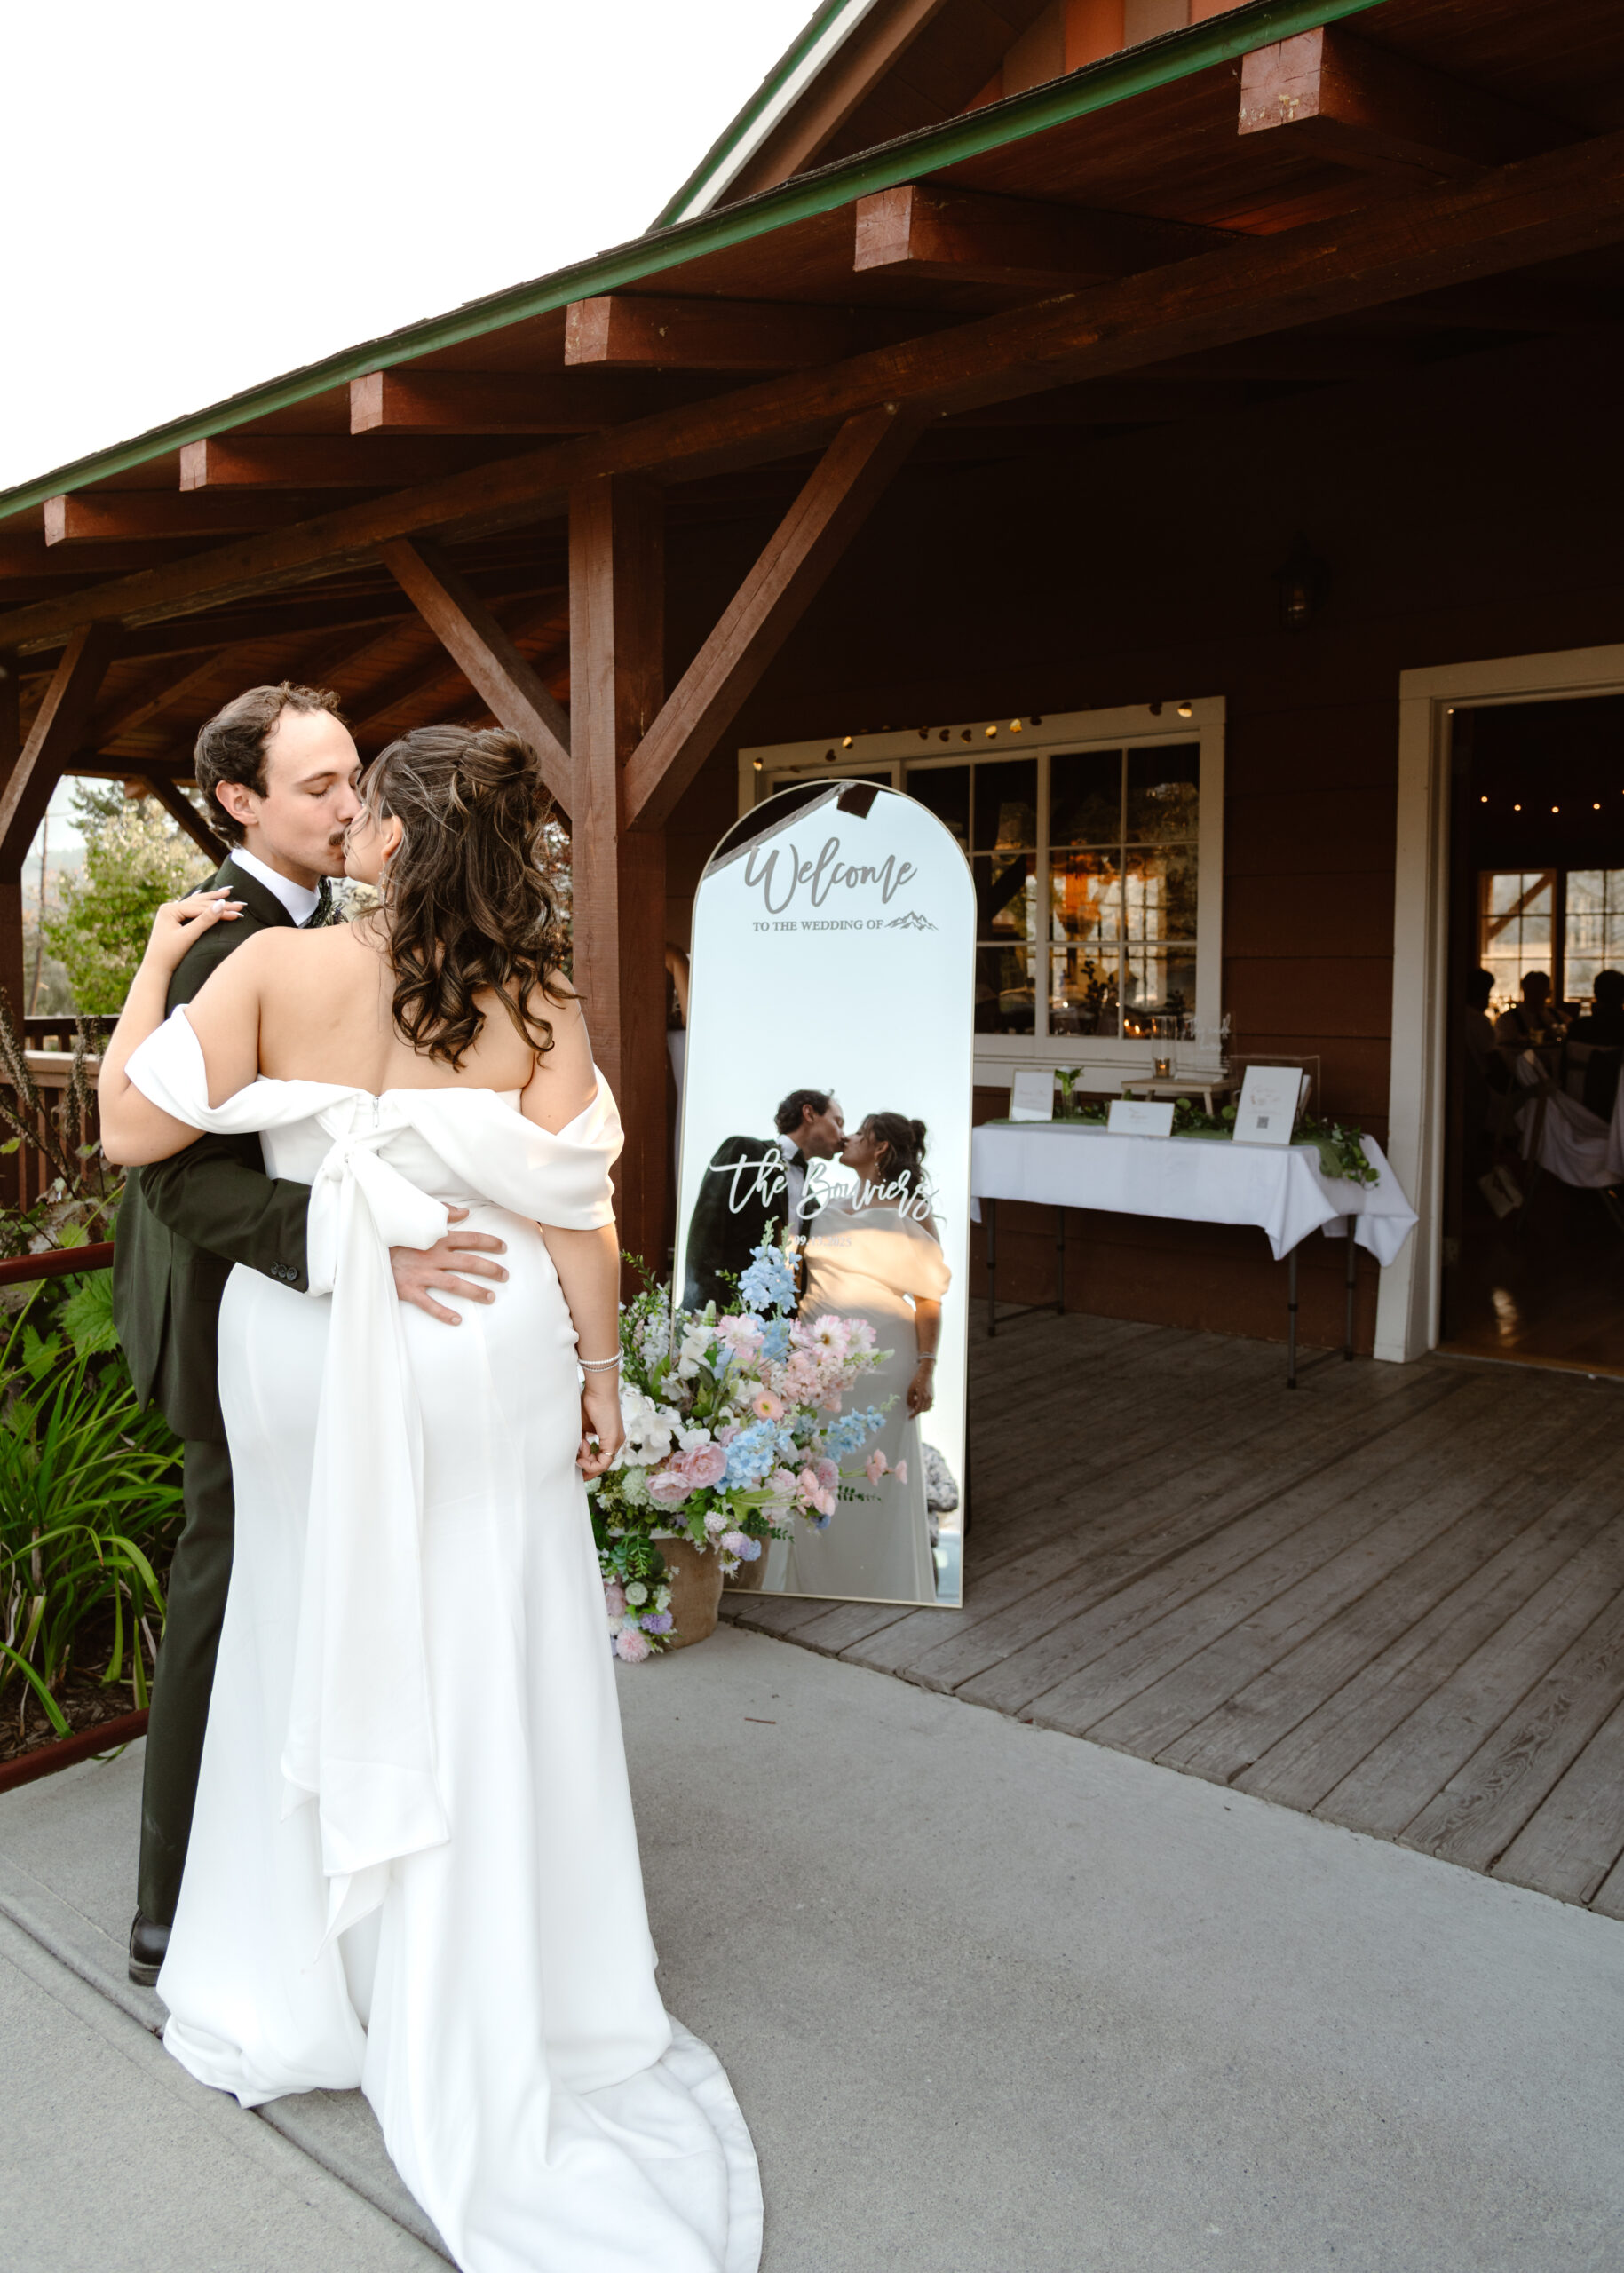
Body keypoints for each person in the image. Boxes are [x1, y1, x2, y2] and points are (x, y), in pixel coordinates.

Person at [99, 725, 759, 2273]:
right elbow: (583, 1216)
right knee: (491, 1636)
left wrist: (148, 974)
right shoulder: (538, 999)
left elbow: (138, 1131)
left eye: (362, 804)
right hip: (490, 1343)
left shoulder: (268, 973)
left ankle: (306, 1977)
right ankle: (519, 1975)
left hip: (312, 1356)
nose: (343, 821)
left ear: (390, 841)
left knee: (296, 1609)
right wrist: (603, 1376)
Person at [115, 682, 507, 1992]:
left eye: (356, 782)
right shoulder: (229, 944)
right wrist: (368, 1230)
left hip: (341, 1317)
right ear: (240, 802)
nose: (351, 806)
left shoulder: (339, 925)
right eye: (320, 788)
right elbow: (168, 1172)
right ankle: (175, 1906)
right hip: (248, 1310)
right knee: (232, 1598)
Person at [784, 1113, 948, 1604]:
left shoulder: (912, 1210)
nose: (847, 1138)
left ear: (879, 1148)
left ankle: (882, 1594)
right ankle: (806, 1591)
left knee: (877, 1482)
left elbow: (929, 1299)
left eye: (858, 1132)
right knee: (811, 1471)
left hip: (886, 1366)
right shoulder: (823, 1203)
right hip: (816, 1363)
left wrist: (926, 1366)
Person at [680, 1086, 844, 1311]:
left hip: (778, 1326)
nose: (843, 1135)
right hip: (724, 1313)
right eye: (838, 1122)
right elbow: (706, 1231)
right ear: (809, 1113)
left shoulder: (813, 1199)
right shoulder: (745, 1151)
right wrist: (702, 1308)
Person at [1494, 970, 1565, 1047]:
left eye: (1539, 991)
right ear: (1523, 990)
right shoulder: (1507, 1019)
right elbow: (1502, 1045)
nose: (1534, 996)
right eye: (1530, 991)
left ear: (1548, 993)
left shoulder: (1560, 1017)